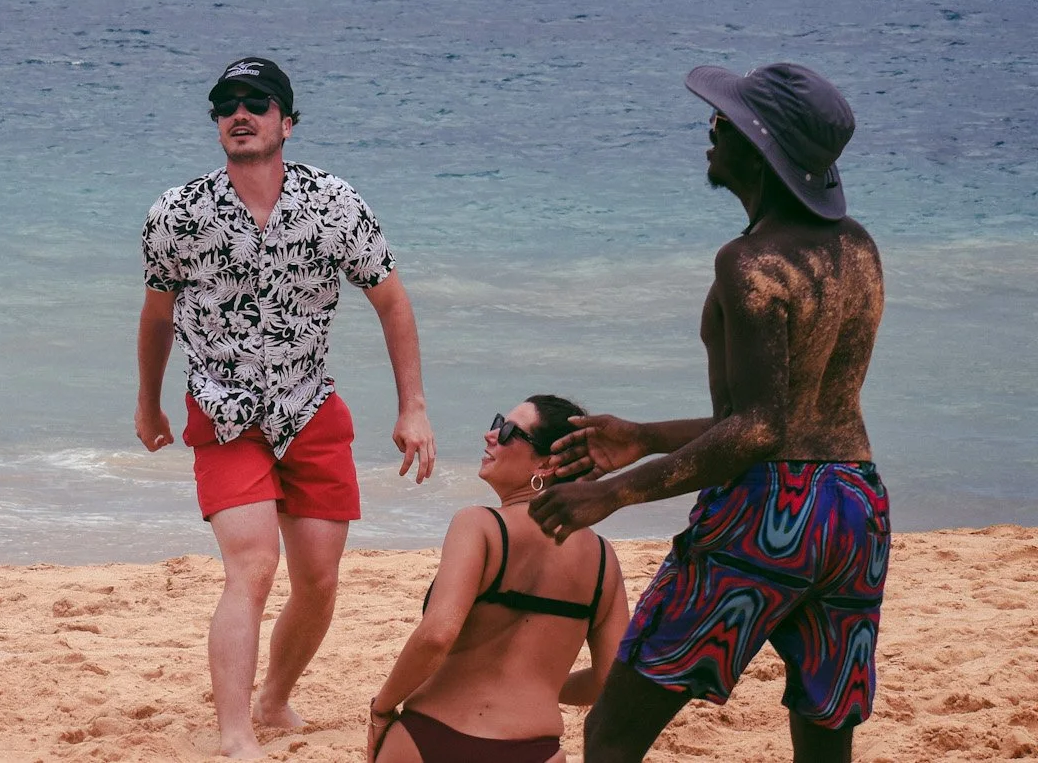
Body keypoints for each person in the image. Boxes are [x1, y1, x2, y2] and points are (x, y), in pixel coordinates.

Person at [528, 63, 887, 763]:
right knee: (823, 734)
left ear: (758, 149)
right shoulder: (859, 249)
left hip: (770, 518)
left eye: (721, 124)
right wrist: (642, 436)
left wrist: (611, 493)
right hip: (855, 506)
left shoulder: (748, 262)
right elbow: (793, 415)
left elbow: (759, 431)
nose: (709, 134)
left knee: (612, 728)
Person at [137, 56, 438, 759]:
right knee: (253, 566)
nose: (240, 113)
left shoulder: (336, 204)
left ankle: (274, 695)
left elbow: (391, 301)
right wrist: (148, 404)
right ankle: (237, 733)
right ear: (217, 126)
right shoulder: (176, 214)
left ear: (286, 120)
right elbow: (157, 317)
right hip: (224, 408)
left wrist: (413, 406)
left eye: (257, 101)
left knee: (319, 579)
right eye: (227, 104)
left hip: (310, 403)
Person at [367, 396, 629, 763]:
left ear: (547, 462)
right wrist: (542, 688)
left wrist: (382, 707)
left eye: (509, 432)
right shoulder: (604, 559)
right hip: (536, 750)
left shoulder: (480, 525)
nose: (491, 435)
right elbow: (611, 678)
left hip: (435, 737)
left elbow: (437, 634)